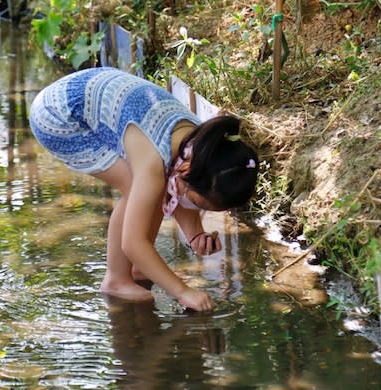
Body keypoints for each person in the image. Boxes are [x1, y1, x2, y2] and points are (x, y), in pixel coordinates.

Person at [29, 67, 259, 311]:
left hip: (92, 99)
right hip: (57, 115)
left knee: (153, 190)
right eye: (200, 205)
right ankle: (116, 280)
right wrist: (183, 291)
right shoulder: (154, 163)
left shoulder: (201, 147)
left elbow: (181, 187)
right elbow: (132, 242)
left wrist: (194, 235)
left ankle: (139, 267)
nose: (196, 209)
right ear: (189, 172)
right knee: (138, 191)